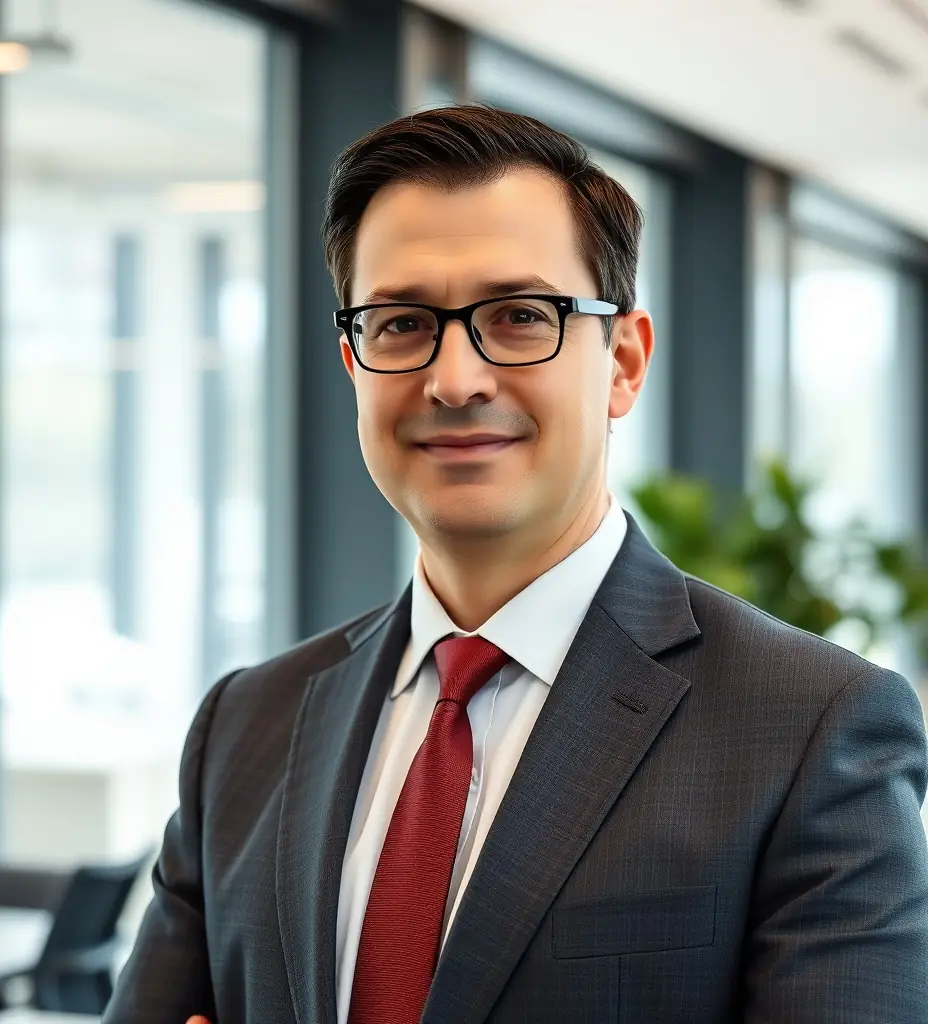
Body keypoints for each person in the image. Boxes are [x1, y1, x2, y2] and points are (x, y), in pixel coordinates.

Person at [103, 106, 928, 1024]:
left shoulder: (809, 729)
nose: (454, 379)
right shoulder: (244, 729)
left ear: (622, 360)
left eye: (520, 316)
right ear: (353, 364)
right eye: (403, 323)